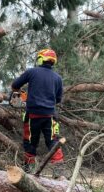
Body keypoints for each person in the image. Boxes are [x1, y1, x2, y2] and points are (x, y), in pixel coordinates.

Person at [11, 48, 65, 176]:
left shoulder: (32, 72)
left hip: (33, 114)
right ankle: (58, 170)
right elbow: (58, 99)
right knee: (53, 141)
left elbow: (15, 85)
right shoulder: (58, 78)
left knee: (30, 141)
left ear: (41, 59)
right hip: (50, 115)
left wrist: (21, 95)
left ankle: (29, 169)